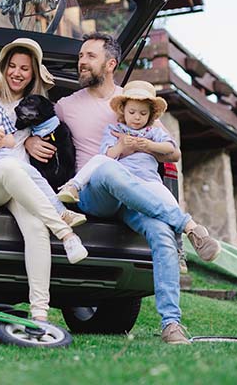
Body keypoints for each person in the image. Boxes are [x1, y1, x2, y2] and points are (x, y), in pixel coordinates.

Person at [32, 32, 221, 344]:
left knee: (161, 233)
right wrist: (29, 139)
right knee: (106, 166)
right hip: (97, 194)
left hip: (135, 196)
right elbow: (34, 123)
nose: (81, 62)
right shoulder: (66, 105)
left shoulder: (135, 102)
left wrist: (139, 145)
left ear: (110, 64)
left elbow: (172, 152)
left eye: (89, 56)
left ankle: (171, 324)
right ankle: (188, 225)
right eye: (80, 56)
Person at [0, 37, 87, 323]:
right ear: (3, 68)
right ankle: (65, 231)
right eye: (12, 66)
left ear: (33, 73)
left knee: (36, 229)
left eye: (25, 68)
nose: (17, 73)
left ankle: (40, 315)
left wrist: (34, 140)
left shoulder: (34, 107)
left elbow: (53, 135)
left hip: (22, 188)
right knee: (11, 167)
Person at [0, 60, 87, 265]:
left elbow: (11, 140)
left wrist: (2, 139)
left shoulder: (3, 110)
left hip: (1, 161)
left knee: (31, 180)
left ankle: (61, 211)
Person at [56, 80, 179, 204]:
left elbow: (171, 148)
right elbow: (107, 155)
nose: (137, 117)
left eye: (143, 113)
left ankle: (187, 222)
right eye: (132, 112)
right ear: (123, 111)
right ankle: (73, 186)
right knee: (99, 159)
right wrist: (121, 145)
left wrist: (149, 145)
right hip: (123, 177)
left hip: (149, 179)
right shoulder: (115, 129)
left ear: (150, 115)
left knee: (170, 202)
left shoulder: (152, 131)